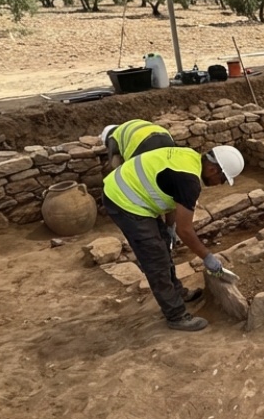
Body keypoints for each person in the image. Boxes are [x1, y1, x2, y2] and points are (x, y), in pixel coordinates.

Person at [102, 144, 245, 331]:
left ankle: (177, 292)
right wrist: (207, 257)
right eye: (223, 178)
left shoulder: (190, 157)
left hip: (131, 191)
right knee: (156, 257)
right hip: (124, 199)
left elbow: (171, 197)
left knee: (162, 243)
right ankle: (176, 315)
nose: (221, 183)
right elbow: (185, 231)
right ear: (212, 168)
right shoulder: (189, 181)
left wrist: (169, 227)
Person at [100, 119, 175, 171]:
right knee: (167, 167)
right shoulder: (129, 126)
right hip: (166, 137)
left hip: (143, 143)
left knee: (142, 174)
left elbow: (114, 165)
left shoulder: (113, 137)